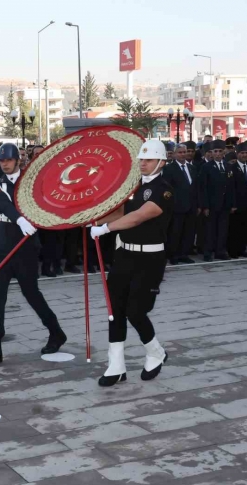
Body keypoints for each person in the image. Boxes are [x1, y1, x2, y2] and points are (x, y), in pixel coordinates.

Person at [0, 143, 67, 368]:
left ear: (18, 160)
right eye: (1, 161)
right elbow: (2, 203)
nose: (4, 164)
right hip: (4, 240)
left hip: (26, 244)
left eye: (8, 160)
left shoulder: (32, 180)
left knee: (31, 293)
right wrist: (20, 219)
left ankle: (56, 332)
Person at [91, 139, 174, 387]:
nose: (143, 163)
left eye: (148, 160)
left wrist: (106, 228)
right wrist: (93, 220)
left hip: (149, 258)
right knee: (115, 313)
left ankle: (156, 352)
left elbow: (139, 216)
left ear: (161, 162)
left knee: (136, 311)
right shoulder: (135, 186)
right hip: (124, 254)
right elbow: (123, 212)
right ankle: (116, 366)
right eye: (141, 159)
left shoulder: (165, 189)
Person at [200, 140, 235, 261]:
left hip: (225, 204)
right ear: (211, 153)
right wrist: (205, 206)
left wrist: (232, 204)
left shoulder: (228, 166)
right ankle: (208, 252)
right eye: (216, 151)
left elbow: (231, 187)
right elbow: (203, 187)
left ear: (224, 151)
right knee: (210, 230)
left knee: (223, 229)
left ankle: (220, 251)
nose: (218, 154)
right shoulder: (206, 167)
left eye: (220, 151)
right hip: (212, 204)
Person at [163, 143, 198, 264]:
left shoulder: (192, 168)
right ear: (174, 154)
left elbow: (195, 188)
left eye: (185, 152)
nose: (183, 154)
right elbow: (167, 189)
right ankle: (173, 255)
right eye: (180, 152)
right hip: (176, 207)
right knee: (175, 232)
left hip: (191, 206)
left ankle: (184, 254)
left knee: (188, 232)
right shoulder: (169, 169)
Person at [228, 143, 247, 258]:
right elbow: (231, 188)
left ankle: (243, 248)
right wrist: (233, 204)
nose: (244, 155)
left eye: (246, 153)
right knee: (235, 228)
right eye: (242, 153)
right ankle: (233, 250)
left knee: (245, 228)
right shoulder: (232, 168)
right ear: (237, 154)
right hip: (237, 204)